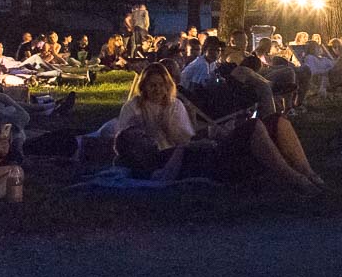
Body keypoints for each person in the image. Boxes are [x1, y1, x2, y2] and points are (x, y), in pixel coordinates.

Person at [113, 64, 323, 191]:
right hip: (210, 159)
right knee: (254, 126)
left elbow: (190, 136)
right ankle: (293, 178)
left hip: (205, 148)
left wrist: (208, 131)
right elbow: (127, 142)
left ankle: (308, 172)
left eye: (161, 84)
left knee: (277, 120)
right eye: (152, 85)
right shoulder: (140, 122)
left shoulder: (174, 105)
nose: (158, 89)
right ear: (144, 87)